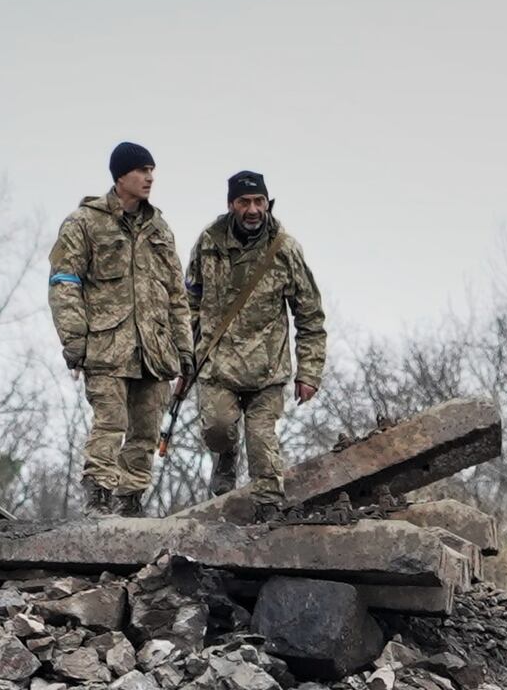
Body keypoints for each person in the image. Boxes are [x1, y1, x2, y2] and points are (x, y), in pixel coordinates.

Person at [46, 142, 186, 513]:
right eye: (142, 170)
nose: (150, 178)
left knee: (145, 431)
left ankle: (130, 501)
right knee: (110, 423)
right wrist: (75, 340)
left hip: (154, 350)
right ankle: (99, 496)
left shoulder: (160, 228)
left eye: (152, 170)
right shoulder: (85, 223)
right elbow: (64, 282)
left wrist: (184, 350)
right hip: (107, 346)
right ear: (120, 176)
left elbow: (176, 294)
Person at [181, 168, 326, 493]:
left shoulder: (285, 250)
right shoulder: (208, 243)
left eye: (259, 201)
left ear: (267, 203)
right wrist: (183, 356)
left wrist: (309, 372)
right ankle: (226, 458)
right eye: (244, 202)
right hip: (217, 367)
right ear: (232, 204)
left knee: (262, 446)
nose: (253, 210)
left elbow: (310, 314)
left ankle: (269, 509)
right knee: (218, 431)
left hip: (267, 372)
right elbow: (189, 302)